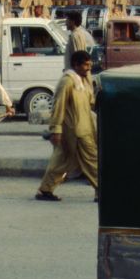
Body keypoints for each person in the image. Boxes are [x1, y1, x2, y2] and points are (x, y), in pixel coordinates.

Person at [35, 50, 98, 202]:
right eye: (85, 65)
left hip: (84, 128)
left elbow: (90, 102)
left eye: (90, 65)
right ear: (76, 65)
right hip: (74, 130)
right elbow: (58, 106)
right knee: (92, 161)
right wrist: (55, 130)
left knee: (62, 161)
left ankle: (45, 189)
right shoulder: (67, 81)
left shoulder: (82, 80)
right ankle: (103, 191)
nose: (88, 68)